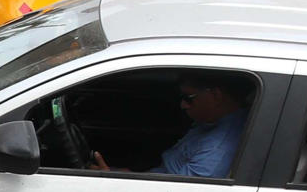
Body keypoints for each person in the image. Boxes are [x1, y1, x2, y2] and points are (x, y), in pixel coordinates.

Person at [93, 74, 248, 179]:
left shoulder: (217, 150)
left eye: (188, 98)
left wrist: (115, 183)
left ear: (215, 95)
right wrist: (123, 174)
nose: (183, 105)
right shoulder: (214, 121)